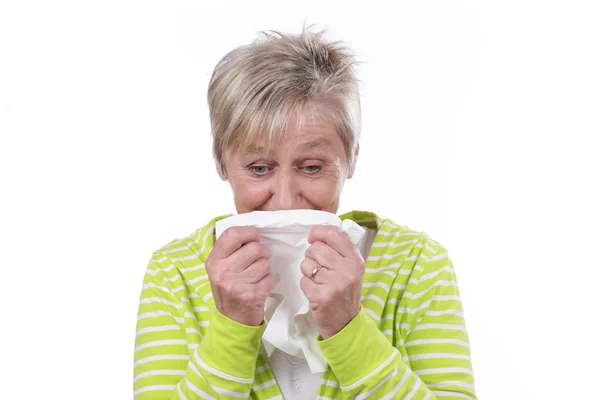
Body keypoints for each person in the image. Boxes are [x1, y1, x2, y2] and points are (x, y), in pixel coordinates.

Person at [134, 27, 477, 400]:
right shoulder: (174, 274)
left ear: (350, 159)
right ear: (221, 163)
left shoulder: (416, 266)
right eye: (259, 168)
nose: (285, 201)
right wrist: (231, 328)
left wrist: (349, 329)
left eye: (312, 167)